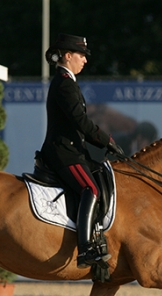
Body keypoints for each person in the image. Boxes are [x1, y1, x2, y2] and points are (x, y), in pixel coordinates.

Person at [40, 33, 125, 271]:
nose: (85, 60)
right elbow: (80, 121)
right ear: (68, 56)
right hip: (63, 153)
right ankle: (86, 248)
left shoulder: (67, 81)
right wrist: (106, 140)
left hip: (73, 151)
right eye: (81, 55)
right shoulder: (64, 83)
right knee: (91, 188)